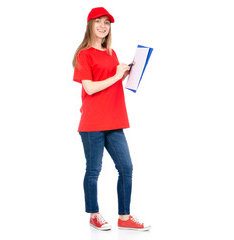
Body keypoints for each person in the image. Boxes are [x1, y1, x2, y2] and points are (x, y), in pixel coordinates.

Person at [72, 7, 150, 231]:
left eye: (107, 22)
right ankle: (94, 215)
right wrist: (116, 76)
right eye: (98, 21)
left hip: (114, 120)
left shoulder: (111, 53)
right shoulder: (84, 54)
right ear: (90, 25)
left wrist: (123, 74)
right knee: (94, 170)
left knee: (126, 167)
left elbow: (111, 81)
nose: (103, 26)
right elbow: (89, 87)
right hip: (93, 122)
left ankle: (124, 218)